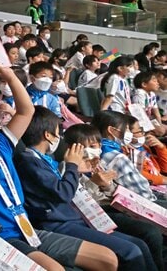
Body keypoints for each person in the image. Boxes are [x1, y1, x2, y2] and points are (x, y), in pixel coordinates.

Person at [0, 68, 113, 271]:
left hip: (27, 229)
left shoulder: (1, 145)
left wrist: (9, 76)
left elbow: (26, 110)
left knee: (107, 259)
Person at [15, 107, 151, 270]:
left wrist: (79, 171)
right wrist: (72, 165)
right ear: (48, 135)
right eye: (58, 132)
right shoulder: (29, 161)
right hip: (59, 224)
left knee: (139, 245)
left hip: (75, 218)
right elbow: (63, 193)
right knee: (130, 251)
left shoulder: (45, 160)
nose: (60, 138)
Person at [63, 124, 166, 271]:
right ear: (74, 148)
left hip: (114, 205)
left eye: (98, 145)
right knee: (149, 234)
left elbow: (113, 192)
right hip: (95, 213)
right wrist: (93, 183)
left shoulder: (97, 164)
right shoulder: (68, 168)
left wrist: (107, 186)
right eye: (91, 145)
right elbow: (77, 201)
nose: (97, 149)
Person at [94, 111, 164, 203]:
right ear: (111, 130)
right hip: (141, 202)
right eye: (126, 128)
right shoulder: (116, 156)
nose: (129, 133)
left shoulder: (101, 148)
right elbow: (143, 194)